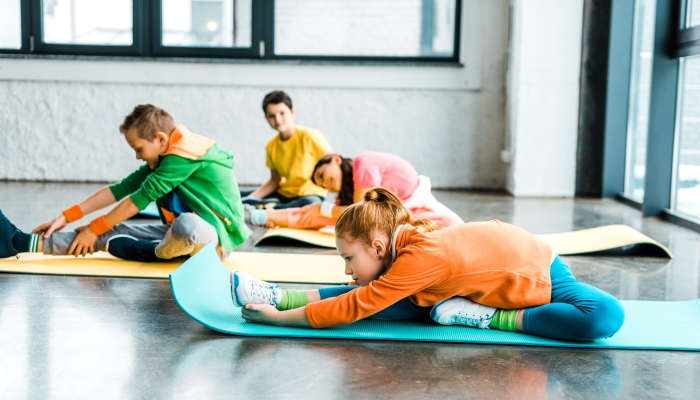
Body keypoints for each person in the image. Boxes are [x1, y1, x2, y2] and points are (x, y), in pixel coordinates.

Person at [231, 187, 625, 342]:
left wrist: (279, 322)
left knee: (604, 316)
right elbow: (365, 294)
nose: (347, 270)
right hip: (480, 277)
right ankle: (276, 293)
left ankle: (488, 317)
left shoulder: (420, 256)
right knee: (381, 297)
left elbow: (356, 305)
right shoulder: (406, 245)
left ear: (378, 245)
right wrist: (281, 304)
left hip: (540, 270)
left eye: (350, 259)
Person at [0, 104, 249, 262]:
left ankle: (154, 253)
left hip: (215, 240)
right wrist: (67, 217)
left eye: (139, 149)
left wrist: (95, 227)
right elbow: (119, 190)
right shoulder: (165, 159)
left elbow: (138, 200)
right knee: (109, 232)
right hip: (179, 238)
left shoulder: (183, 156)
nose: (137, 156)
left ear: (161, 140)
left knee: (186, 226)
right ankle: (21, 242)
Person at [245, 151, 464, 230]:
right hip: (397, 215)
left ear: (336, 159)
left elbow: (361, 211)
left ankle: (265, 214)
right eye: (323, 185)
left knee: (336, 213)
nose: (326, 184)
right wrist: (323, 209)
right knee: (331, 214)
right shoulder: (347, 194)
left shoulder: (363, 162)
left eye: (324, 176)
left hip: (419, 209)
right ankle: (264, 215)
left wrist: (324, 208)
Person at [241, 91, 332, 209]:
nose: (277, 119)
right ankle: (269, 208)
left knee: (311, 204)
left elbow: (333, 166)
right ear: (266, 118)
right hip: (284, 193)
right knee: (239, 195)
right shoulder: (271, 145)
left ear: (292, 112)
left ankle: (271, 209)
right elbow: (274, 181)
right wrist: (250, 199)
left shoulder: (311, 136)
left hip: (310, 195)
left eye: (282, 113)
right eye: (272, 116)